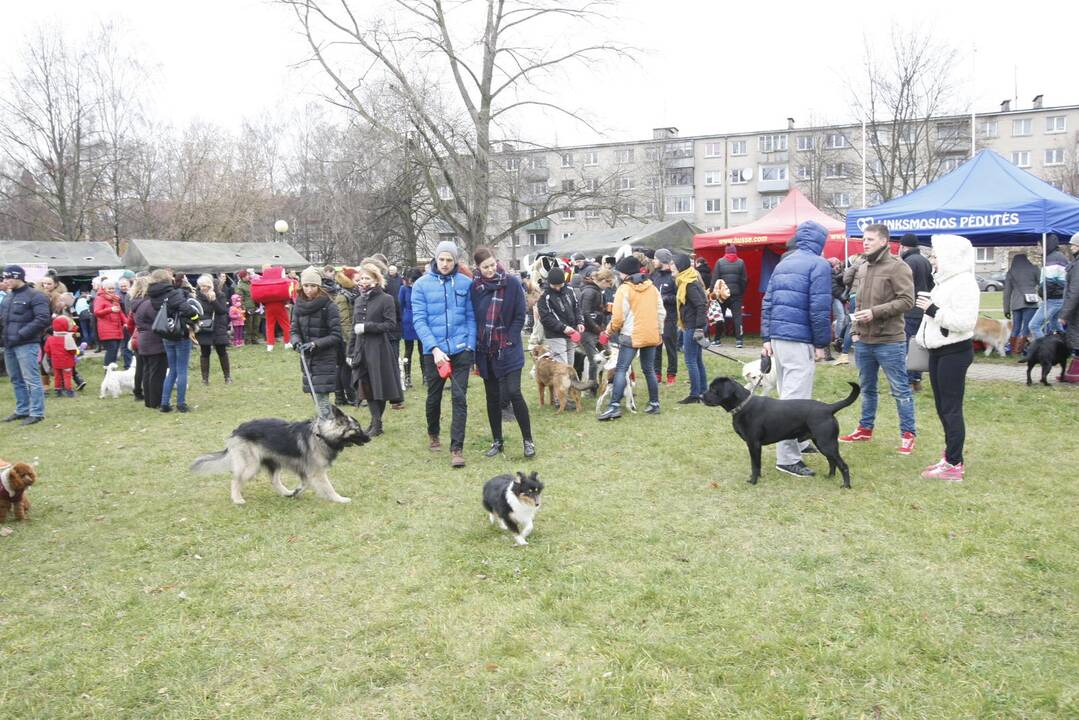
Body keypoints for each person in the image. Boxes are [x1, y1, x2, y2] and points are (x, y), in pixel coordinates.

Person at [760, 221, 834, 477]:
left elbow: (767, 301)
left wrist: (766, 337)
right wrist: (822, 343)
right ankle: (787, 458)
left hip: (779, 339)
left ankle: (801, 441)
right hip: (799, 339)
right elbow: (820, 309)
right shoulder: (819, 265)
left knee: (792, 393)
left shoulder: (784, 263)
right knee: (794, 399)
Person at [840, 224, 917, 455]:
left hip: (890, 340)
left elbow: (907, 300)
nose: (865, 243)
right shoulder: (862, 267)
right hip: (864, 340)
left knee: (900, 389)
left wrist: (877, 312)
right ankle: (865, 428)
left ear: (884, 241)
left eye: (870, 239)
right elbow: (858, 303)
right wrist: (854, 331)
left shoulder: (897, 267)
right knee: (867, 388)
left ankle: (907, 434)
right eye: (864, 239)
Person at [913, 235, 980, 481]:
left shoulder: (964, 283)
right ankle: (950, 455)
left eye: (936, 255)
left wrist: (933, 310)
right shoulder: (944, 282)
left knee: (951, 409)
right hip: (938, 350)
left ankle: (954, 464)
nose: (932, 259)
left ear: (949, 257)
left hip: (954, 351)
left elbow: (964, 322)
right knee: (942, 407)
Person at [411, 240, 476, 469]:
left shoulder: (466, 284)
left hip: (460, 350)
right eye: (442, 259)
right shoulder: (421, 285)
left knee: (460, 399)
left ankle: (457, 448)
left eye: (450, 260)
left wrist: (469, 345)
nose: (445, 264)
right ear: (435, 259)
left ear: (456, 261)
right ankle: (433, 433)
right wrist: (434, 348)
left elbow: (471, 317)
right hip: (434, 352)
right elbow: (419, 320)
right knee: (434, 396)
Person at [470, 246, 534, 458]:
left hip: (509, 347)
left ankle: (528, 440)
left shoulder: (512, 283)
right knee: (493, 397)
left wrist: (510, 339)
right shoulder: (476, 288)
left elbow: (519, 313)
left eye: (492, 264)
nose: (490, 270)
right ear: (478, 268)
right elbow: (475, 318)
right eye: (485, 267)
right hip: (486, 350)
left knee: (514, 392)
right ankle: (497, 440)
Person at [598, 254, 664, 421]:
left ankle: (614, 406)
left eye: (620, 273)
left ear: (626, 274)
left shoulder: (624, 289)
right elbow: (661, 312)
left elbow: (618, 317)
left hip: (631, 335)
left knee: (621, 369)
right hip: (651, 334)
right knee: (649, 370)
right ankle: (654, 403)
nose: (618, 275)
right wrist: (659, 332)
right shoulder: (652, 288)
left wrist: (608, 331)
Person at [346, 263, 401, 435]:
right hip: (361, 349)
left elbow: (390, 324)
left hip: (379, 349)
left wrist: (367, 327)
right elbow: (355, 328)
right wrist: (350, 352)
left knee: (379, 386)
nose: (363, 281)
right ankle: (375, 422)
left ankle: (377, 424)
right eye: (361, 278)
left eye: (367, 278)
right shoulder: (358, 300)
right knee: (365, 385)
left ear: (376, 280)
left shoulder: (386, 299)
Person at [1, 265, 51, 425]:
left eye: (8, 278)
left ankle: (37, 412)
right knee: (16, 379)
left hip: (27, 343)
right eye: (4, 278)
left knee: (32, 379)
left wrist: (21, 334)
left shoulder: (36, 296)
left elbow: (43, 319)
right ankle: (22, 410)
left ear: (18, 277)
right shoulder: (8, 297)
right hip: (9, 344)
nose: (5, 281)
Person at [291, 267, 343, 419]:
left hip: (324, 357)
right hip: (307, 357)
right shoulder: (298, 306)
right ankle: (330, 424)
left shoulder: (329, 306)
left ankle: (329, 428)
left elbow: (336, 335)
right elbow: (294, 330)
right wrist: (296, 342)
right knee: (315, 396)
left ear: (319, 287)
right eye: (306, 286)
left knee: (321, 397)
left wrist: (315, 344)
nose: (309, 289)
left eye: (313, 286)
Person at [157, 270, 201, 413]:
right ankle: (181, 403)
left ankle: (164, 402)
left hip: (166, 334)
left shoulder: (155, 295)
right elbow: (189, 310)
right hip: (180, 334)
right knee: (182, 370)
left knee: (172, 370)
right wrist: (195, 320)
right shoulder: (176, 294)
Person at [900, 233, 934, 391]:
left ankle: (909, 381)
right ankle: (917, 379)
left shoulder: (907, 262)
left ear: (904, 246)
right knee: (919, 345)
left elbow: (902, 286)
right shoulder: (926, 261)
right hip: (923, 308)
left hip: (909, 309)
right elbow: (931, 284)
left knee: (908, 346)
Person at [673, 253, 709, 404]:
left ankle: (695, 394)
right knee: (697, 359)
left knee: (690, 360)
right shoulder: (685, 280)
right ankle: (702, 391)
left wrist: (698, 328)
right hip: (691, 324)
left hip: (693, 325)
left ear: (680, 267)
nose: (671, 268)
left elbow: (701, 304)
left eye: (673, 265)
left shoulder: (689, 283)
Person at [537, 266, 583, 366]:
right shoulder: (544, 296)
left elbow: (576, 307)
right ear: (549, 283)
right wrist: (563, 328)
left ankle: (569, 382)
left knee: (570, 365)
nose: (557, 288)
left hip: (571, 332)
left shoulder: (570, 290)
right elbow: (546, 318)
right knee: (561, 366)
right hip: (555, 335)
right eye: (554, 285)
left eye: (560, 285)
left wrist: (580, 322)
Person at [576, 267, 613, 389]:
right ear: (603, 280)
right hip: (587, 332)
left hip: (597, 330)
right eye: (609, 283)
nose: (609, 286)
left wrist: (606, 311)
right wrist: (598, 329)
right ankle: (592, 388)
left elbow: (595, 310)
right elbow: (585, 313)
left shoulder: (598, 291)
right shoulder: (589, 292)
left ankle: (603, 383)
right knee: (594, 360)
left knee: (607, 356)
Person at [1002, 251, 1042, 361]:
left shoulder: (1011, 272)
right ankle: (1021, 351)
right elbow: (1041, 285)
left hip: (1016, 303)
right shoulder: (1034, 269)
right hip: (1031, 303)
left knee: (1016, 327)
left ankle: (1014, 351)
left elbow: (1007, 292)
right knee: (1027, 327)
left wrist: (1006, 309)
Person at [1029, 234, 1069, 341]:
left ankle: (1045, 350)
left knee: (1034, 325)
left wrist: (1041, 293)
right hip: (1058, 297)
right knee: (1055, 324)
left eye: (1039, 246)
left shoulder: (1052, 259)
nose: (1037, 249)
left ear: (1046, 245)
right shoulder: (1058, 256)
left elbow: (1049, 283)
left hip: (1053, 299)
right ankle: (1065, 346)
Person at [194, 275, 232, 385]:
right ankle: (204, 379)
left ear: (210, 285)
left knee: (222, 352)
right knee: (205, 353)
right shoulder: (197, 297)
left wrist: (214, 300)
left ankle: (227, 377)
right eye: (201, 286)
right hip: (204, 327)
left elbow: (222, 311)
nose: (203, 288)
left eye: (205, 286)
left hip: (218, 326)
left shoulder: (220, 295)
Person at [651, 248, 678, 386]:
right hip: (655, 318)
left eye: (655, 258)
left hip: (670, 317)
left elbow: (679, 297)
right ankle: (657, 374)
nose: (653, 261)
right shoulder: (654, 276)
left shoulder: (673, 277)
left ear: (662, 260)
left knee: (670, 347)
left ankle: (671, 375)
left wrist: (666, 298)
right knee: (656, 346)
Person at [713, 243, 748, 347]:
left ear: (726, 251)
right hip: (736, 294)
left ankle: (717, 339)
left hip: (722, 295)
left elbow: (715, 279)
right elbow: (744, 280)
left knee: (720, 316)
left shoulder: (720, 262)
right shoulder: (741, 262)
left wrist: (713, 292)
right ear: (735, 251)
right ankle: (739, 341)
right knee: (737, 317)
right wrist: (741, 291)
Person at [94, 278, 127, 368]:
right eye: (109, 288)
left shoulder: (115, 299)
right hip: (106, 329)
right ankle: (107, 371)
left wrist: (126, 322)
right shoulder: (99, 298)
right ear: (104, 288)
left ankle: (112, 372)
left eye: (113, 288)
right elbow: (97, 312)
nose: (111, 290)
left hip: (116, 328)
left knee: (115, 351)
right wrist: (110, 309)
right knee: (111, 350)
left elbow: (120, 312)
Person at [43, 316, 79, 397]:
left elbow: (47, 350)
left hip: (55, 361)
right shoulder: (68, 338)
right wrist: (74, 354)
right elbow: (72, 350)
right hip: (67, 361)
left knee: (57, 376)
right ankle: (69, 391)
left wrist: (50, 356)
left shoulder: (50, 338)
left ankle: (58, 390)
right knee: (67, 376)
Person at [398, 268, 421, 390]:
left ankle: (426, 376)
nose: (411, 282)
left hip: (421, 320)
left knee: (424, 350)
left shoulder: (422, 286)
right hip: (408, 322)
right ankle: (407, 376)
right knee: (408, 350)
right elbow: (400, 305)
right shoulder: (403, 289)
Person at [1060, 233, 1079, 380]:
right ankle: (1073, 370)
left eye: (1074, 244)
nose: (1071, 247)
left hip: (1076, 311)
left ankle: (1075, 372)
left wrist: (1064, 315)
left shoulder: (1077, 266)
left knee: (1077, 339)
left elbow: (1074, 292)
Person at [234, 269, 260, 344]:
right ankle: (248, 340)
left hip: (256, 305)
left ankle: (254, 339)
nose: (249, 276)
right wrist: (244, 309)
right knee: (249, 325)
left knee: (256, 323)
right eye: (247, 275)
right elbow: (240, 299)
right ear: (243, 277)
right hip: (248, 307)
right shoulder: (240, 286)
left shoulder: (251, 283)